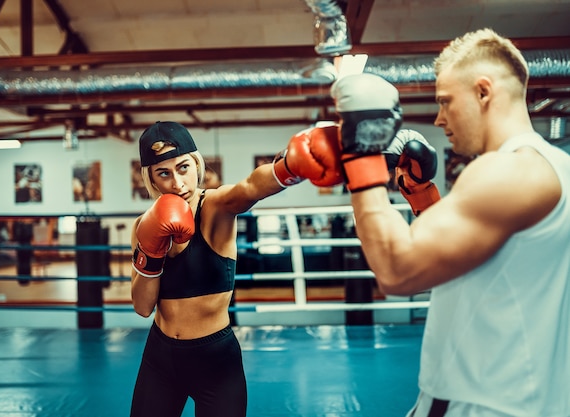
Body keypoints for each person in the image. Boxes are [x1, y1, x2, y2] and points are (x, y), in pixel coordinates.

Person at [329, 28, 570, 417]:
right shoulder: (552, 166)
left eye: (445, 101)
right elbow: (475, 260)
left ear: (483, 92)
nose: (440, 118)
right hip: (514, 396)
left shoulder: (511, 171)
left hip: (485, 403)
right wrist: (423, 198)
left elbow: (398, 271)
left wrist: (363, 155)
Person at [129, 121, 343, 417]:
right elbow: (142, 306)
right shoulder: (144, 225)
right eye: (163, 173)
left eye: (183, 168)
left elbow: (250, 188)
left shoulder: (216, 205)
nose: (178, 184)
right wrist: (152, 255)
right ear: (150, 178)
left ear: (196, 163)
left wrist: (290, 168)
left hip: (215, 360)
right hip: (160, 358)